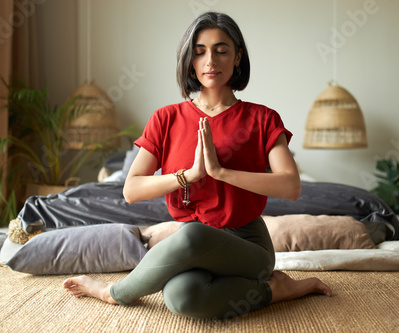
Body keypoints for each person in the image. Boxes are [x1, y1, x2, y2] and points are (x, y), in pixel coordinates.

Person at [63, 11, 331, 320]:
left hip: (247, 247)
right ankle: (277, 290)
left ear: (237, 57)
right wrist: (188, 176)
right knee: (181, 297)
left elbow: (291, 186)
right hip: (193, 241)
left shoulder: (262, 118)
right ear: (190, 60)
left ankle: (112, 293)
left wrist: (220, 172)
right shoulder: (166, 118)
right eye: (200, 51)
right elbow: (131, 189)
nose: (210, 61)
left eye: (221, 50)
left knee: (190, 236)